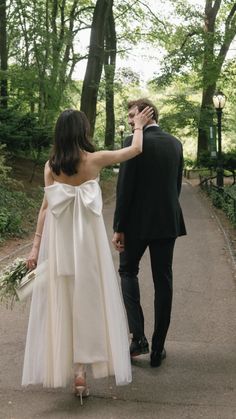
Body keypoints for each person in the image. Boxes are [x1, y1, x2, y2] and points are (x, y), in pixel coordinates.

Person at [22, 106, 153, 404]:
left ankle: (75, 370)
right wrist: (139, 125)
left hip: (60, 247)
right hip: (88, 248)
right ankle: (83, 368)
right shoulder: (94, 160)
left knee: (64, 303)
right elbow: (134, 150)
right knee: (89, 302)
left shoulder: (50, 166)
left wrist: (34, 248)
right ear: (82, 132)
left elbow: (45, 209)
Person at [112, 98, 186, 368]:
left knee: (128, 272)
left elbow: (125, 188)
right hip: (167, 223)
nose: (131, 120)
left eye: (133, 115)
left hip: (135, 225)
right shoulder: (176, 144)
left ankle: (139, 338)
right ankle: (158, 348)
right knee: (163, 281)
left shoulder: (132, 142)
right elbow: (176, 186)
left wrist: (119, 226)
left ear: (146, 114)